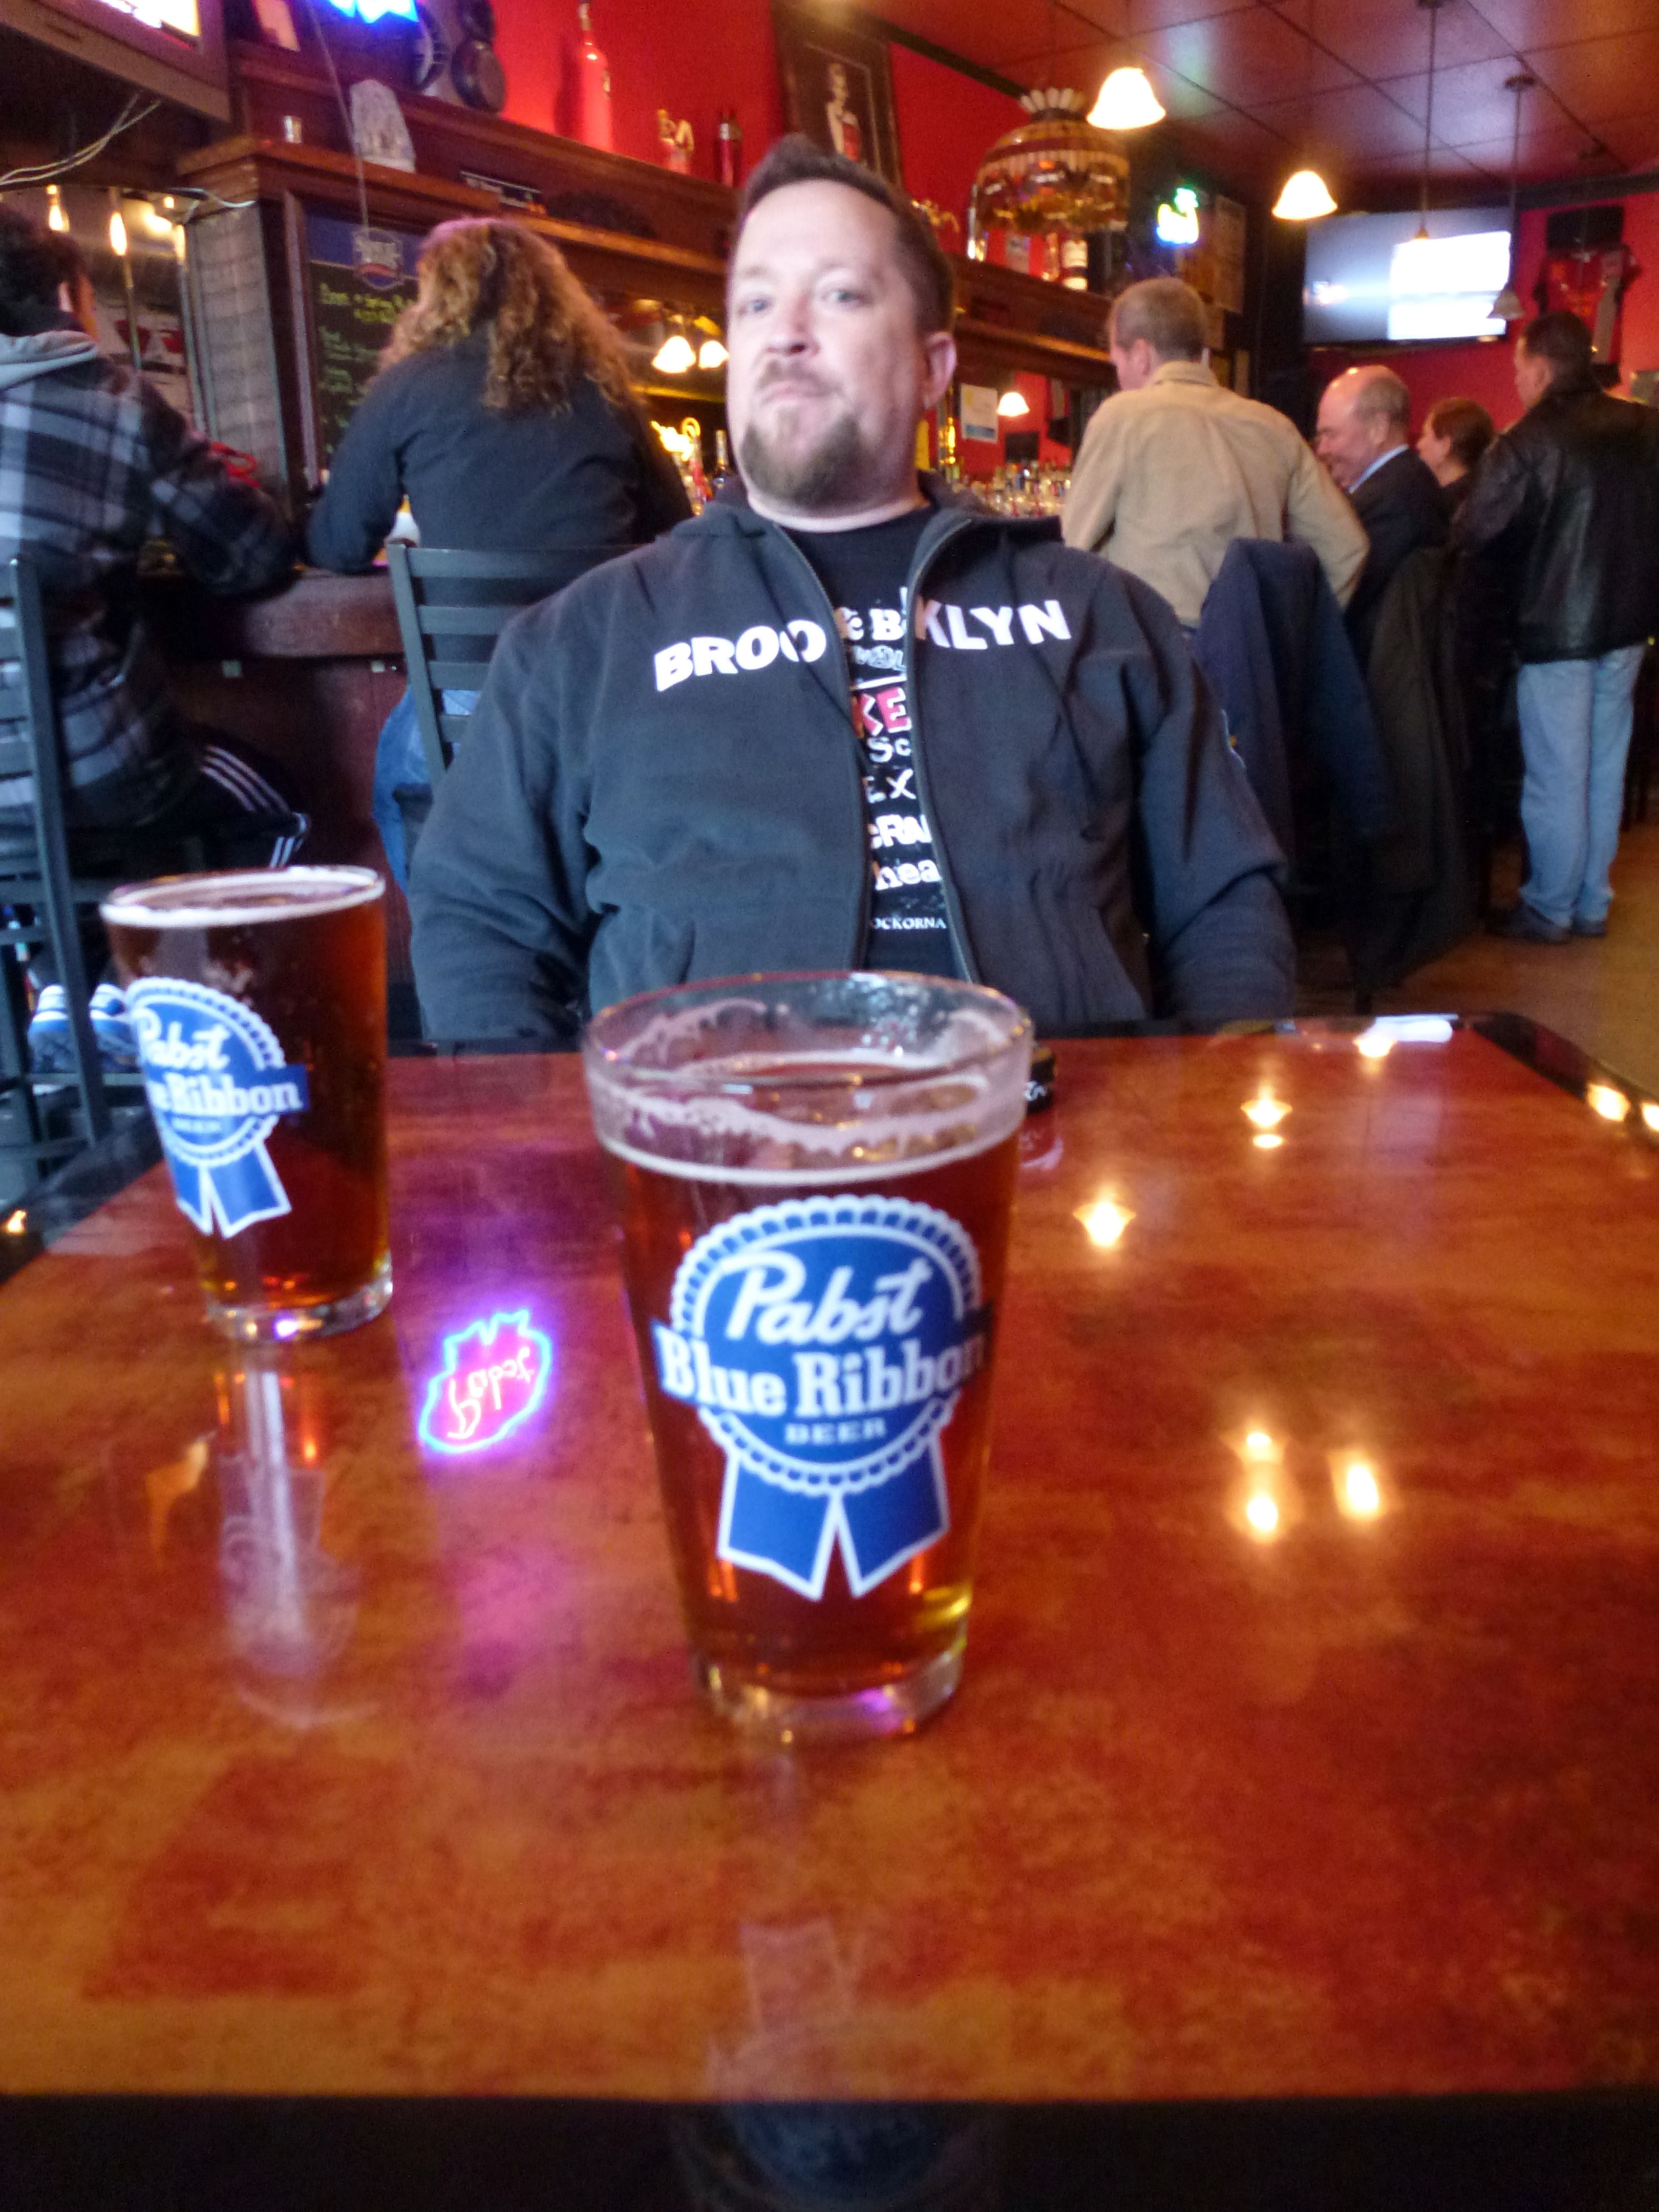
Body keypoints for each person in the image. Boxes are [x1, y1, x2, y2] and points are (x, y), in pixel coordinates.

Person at [408, 137, 1294, 1043]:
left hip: (1059, 1112)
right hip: (717, 1120)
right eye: (755, 303)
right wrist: (580, 1125)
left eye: (840, 295)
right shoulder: (585, 638)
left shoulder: (1099, 614)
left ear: (932, 368)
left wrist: (1195, 1105)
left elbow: (1224, 900)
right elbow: (479, 926)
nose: (785, 331)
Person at [1, 208, 301, 1071]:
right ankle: (146, 990)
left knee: (51, 833)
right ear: (67, 297)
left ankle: (67, 989)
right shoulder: (115, 399)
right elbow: (249, 556)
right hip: (100, 777)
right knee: (271, 803)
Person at [307, 217, 691, 887]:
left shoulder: (408, 387)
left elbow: (339, 546)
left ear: (437, 295)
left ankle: (451, 934)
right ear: (555, 296)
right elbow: (677, 529)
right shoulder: (605, 392)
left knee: (403, 791)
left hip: (472, 704)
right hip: (608, 689)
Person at [1456, 310, 1659, 942]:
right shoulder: (1646, 427)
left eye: (1519, 369)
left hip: (1555, 628)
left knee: (1557, 776)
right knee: (1603, 768)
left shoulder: (1526, 441)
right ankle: (1591, 902)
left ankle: (1550, 907)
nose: (1516, 381)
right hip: (1630, 626)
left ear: (1543, 369)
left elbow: (1474, 529)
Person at [1062, 276, 1367, 628]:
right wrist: (1293, 638)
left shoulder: (1122, 417)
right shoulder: (1275, 428)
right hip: (1248, 651)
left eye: (1118, 364)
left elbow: (1071, 551)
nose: (1119, 378)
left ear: (1142, 356)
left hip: (1153, 648)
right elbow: (1347, 548)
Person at [1315, 365, 1447, 666]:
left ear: (1379, 428)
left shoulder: (1395, 498)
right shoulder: (1404, 483)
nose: (1322, 449)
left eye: (1331, 435)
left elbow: (1342, 597)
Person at [1417, 396, 1496, 517]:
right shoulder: (1486, 498)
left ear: (1445, 446)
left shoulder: (1438, 512)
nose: (1419, 445)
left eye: (1424, 435)